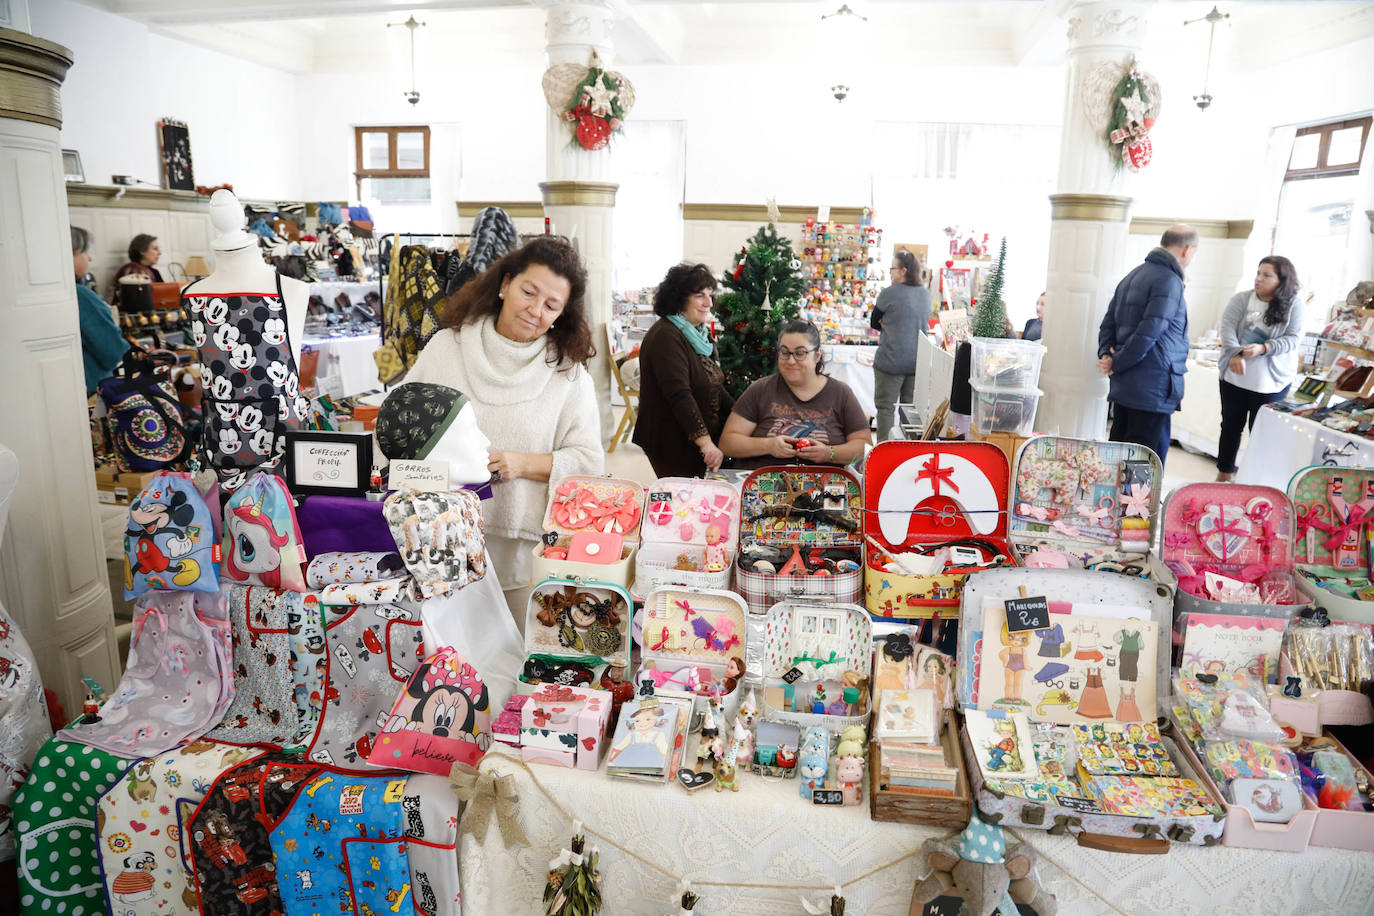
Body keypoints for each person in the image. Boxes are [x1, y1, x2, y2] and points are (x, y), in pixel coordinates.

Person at [404, 236, 603, 627]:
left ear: (561, 315)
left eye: (551, 306)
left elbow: (588, 461)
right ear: (504, 284)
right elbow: (400, 425)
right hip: (435, 540)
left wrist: (522, 464)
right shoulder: (447, 346)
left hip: (517, 552)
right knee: (443, 660)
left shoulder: (567, 374)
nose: (535, 310)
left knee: (510, 654)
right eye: (529, 292)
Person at [1096, 224, 1199, 464]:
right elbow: (1149, 332)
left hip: (1127, 383)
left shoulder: (1134, 275)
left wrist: (1107, 356)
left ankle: (1113, 501)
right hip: (1153, 385)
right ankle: (1138, 503)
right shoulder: (1169, 281)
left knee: (1120, 451)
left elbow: (1107, 323)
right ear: (1187, 250)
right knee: (1145, 459)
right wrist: (1116, 362)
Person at [720, 320, 872, 470]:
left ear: (817, 355)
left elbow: (865, 448)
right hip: (764, 487)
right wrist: (768, 446)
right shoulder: (761, 389)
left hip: (824, 489)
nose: (791, 361)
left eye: (800, 353)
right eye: (785, 352)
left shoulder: (840, 393)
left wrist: (829, 453)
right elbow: (728, 443)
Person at [633, 262, 733, 477]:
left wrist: (742, 416)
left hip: (691, 438)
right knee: (684, 503)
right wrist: (706, 444)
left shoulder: (697, 334)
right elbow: (679, 394)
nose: (709, 302)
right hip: (672, 440)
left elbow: (714, 384)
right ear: (679, 299)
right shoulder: (666, 335)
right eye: (699, 295)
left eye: (710, 294)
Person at [1215, 256, 1303, 480]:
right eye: (1258, 273)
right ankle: (1224, 474)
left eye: (1267, 275)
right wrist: (1235, 352)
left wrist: (1264, 348)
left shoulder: (1294, 305)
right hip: (1234, 378)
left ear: (1281, 280)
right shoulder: (1242, 299)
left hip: (1271, 382)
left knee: (1262, 433)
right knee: (1230, 426)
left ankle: (1254, 478)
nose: (1259, 279)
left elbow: (1293, 339)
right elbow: (1226, 328)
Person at [871, 249, 931, 442]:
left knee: (885, 407)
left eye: (892, 268)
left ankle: (883, 449)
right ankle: (908, 452)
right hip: (916, 362)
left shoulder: (889, 293)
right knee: (911, 411)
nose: (890, 272)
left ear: (903, 270)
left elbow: (874, 322)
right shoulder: (925, 294)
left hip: (890, 360)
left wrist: (890, 325)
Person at [72, 226, 129, 394]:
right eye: (84, 252)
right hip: (93, 390)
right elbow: (113, 351)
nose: (89, 257)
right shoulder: (80, 296)